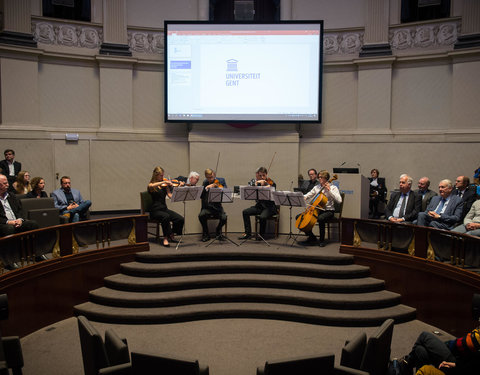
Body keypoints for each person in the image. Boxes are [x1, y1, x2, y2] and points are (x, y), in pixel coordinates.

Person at [398, 328, 480, 375]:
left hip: (456, 359)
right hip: (460, 359)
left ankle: (406, 363)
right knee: (420, 350)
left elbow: (464, 344)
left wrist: (455, 365)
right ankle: (407, 366)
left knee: (424, 335)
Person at [0, 175, 39, 267]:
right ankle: (9, 259)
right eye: (5, 183)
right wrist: (8, 222)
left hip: (16, 221)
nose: (8, 185)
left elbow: (20, 210)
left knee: (33, 224)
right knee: (9, 229)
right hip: (3, 224)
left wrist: (20, 219)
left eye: (7, 182)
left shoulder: (12, 196)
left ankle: (32, 254)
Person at [298, 170, 342, 247]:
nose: (319, 179)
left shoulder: (333, 187)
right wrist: (303, 197)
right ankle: (312, 237)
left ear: (326, 178)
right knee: (299, 217)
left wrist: (329, 190)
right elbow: (308, 195)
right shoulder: (317, 187)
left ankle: (322, 240)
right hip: (317, 210)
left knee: (321, 218)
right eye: (319, 177)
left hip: (328, 211)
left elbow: (339, 200)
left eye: (321, 177)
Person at [147, 166, 184, 247]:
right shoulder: (152, 185)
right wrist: (163, 182)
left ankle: (171, 233)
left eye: (163, 175)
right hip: (155, 210)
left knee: (180, 219)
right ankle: (165, 238)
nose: (163, 177)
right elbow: (150, 186)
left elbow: (170, 195)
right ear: (156, 175)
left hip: (164, 209)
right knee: (165, 217)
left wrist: (178, 188)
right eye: (161, 175)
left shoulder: (165, 185)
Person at [239, 167, 277, 240]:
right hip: (260, 207)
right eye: (260, 176)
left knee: (262, 217)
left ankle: (261, 235)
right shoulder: (255, 182)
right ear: (257, 175)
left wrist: (265, 183)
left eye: (264, 175)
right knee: (245, 212)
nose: (262, 177)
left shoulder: (271, 181)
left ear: (266, 175)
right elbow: (249, 189)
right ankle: (248, 233)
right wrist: (255, 184)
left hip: (270, 208)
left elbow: (272, 187)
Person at [198, 169, 227, 242]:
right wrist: (206, 188)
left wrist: (217, 187)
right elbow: (201, 196)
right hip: (207, 208)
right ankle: (206, 234)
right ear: (206, 177)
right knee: (201, 216)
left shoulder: (221, 181)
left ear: (214, 175)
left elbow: (225, 190)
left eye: (212, 177)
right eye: (208, 177)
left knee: (224, 218)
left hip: (217, 208)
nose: (210, 179)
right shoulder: (205, 182)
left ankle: (218, 231)